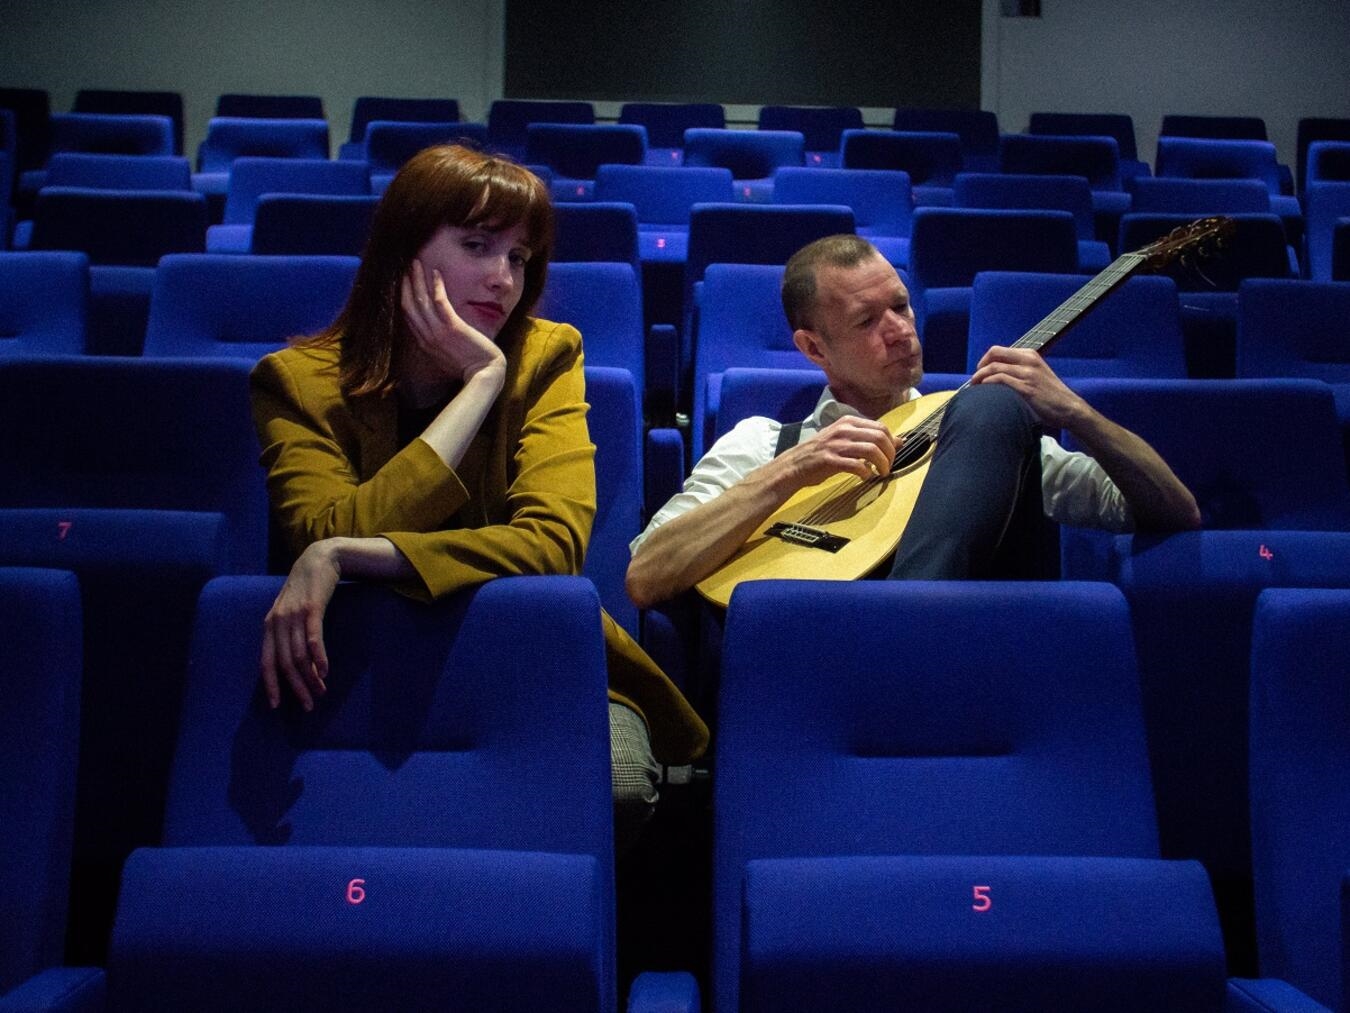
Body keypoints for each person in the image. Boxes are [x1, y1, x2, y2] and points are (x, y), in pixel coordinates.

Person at [250, 144, 707, 847]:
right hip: (358, 664)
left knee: (615, 777)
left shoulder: (544, 357)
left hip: (525, 656)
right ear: (403, 250)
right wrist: (472, 398)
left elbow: (554, 547)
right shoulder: (296, 381)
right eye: (476, 245)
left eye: (520, 258)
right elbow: (325, 525)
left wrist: (351, 553)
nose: (502, 280)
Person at [626, 233, 1200, 606]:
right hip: (812, 666)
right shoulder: (762, 441)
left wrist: (1077, 414)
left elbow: (1173, 512)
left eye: (901, 305)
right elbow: (646, 575)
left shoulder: (979, 436)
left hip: (962, 666)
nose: (900, 330)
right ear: (814, 348)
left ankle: (903, 627)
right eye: (867, 321)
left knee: (989, 407)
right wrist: (790, 471)